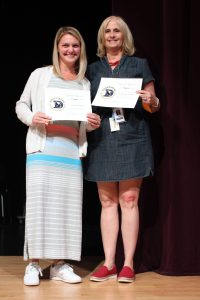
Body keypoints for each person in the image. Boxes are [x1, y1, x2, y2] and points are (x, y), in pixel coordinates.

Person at [15, 26, 101, 286]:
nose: (71, 50)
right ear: (57, 48)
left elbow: (82, 122)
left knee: (67, 210)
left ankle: (59, 265)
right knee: (40, 208)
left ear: (81, 49)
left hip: (70, 154)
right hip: (43, 151)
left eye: (75, 45)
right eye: (65, 45)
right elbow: (21, 105)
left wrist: (92, 124)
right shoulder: (41, 75)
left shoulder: (84, 82)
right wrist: (32, 117)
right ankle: (33, 265)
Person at [83, 15, 160, 283]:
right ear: (102, 37)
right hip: (103, 139)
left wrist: (152, 100)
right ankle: (109, 263)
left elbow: (152, 105)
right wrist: (87, 119)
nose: (112, 35)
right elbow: (84, 107)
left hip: (133, 137)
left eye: (117, 30)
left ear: (124, 36)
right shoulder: (92, 69)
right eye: (108, 31)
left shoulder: (139, 65)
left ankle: (128, 264)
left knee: (129, 200)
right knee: (107, 202)